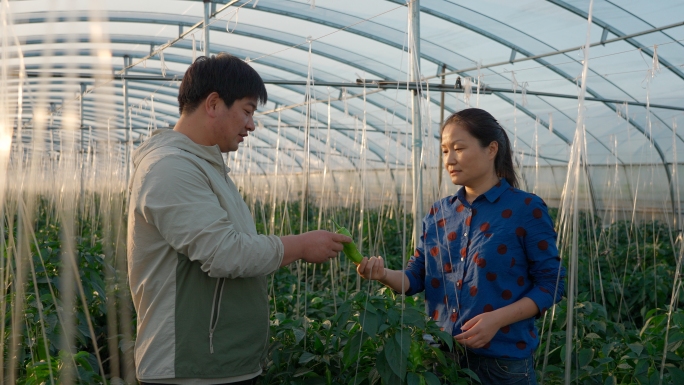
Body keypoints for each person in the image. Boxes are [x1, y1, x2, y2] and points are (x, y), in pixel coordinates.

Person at [127, 54, 351, 385]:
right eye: (247, 111)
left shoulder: (207, 167)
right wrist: (301, 245)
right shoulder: (170, 167)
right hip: (189, 368)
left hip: (218, 364)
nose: (251, 124)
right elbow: (224, 253)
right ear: (214, 103)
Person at [356, 108, 566, 385]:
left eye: (458, 148)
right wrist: (382, 275)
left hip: (501, 365)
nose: (450, 159)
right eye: (444, 151)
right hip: (440, 357)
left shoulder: (525, 208)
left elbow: (551, 284)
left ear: (491, 149)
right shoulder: (439, 212)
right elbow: (415, 277)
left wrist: (496, 320)